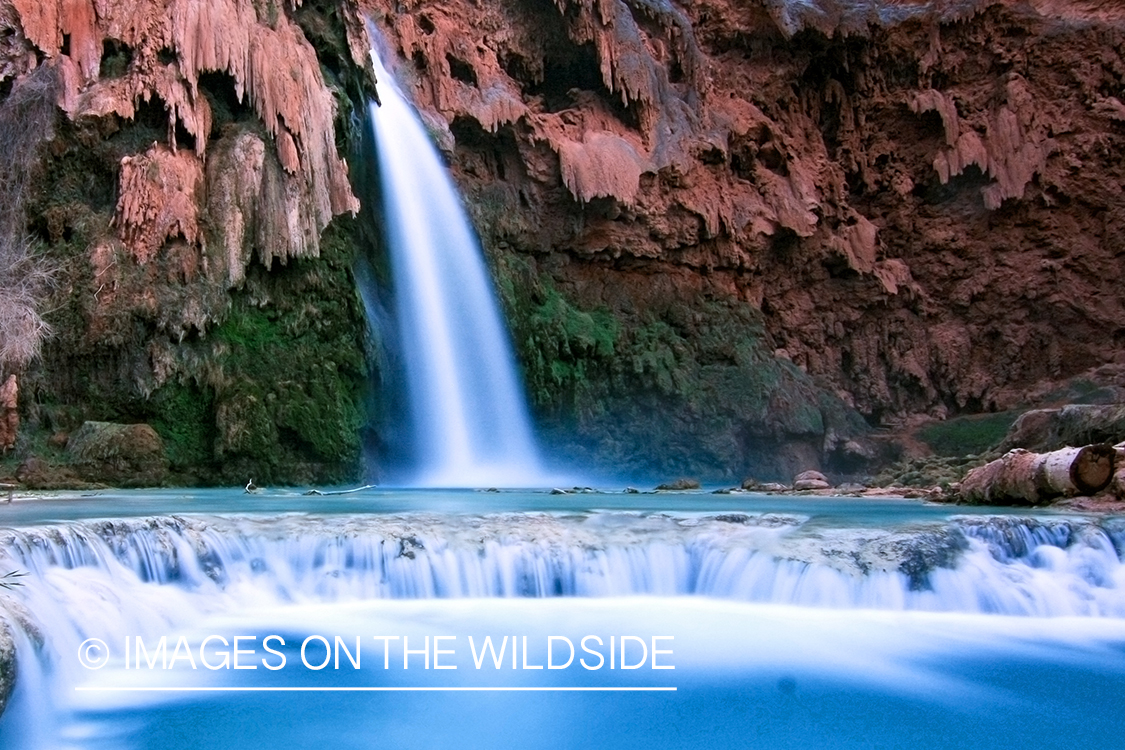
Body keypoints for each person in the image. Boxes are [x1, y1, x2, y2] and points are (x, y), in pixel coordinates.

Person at [0, 374, 18, 453]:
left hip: (8, 407)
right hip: (7, 407)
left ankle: (7, 442)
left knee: (9, 424)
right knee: (5, 425)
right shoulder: (12, 386)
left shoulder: (10, 386)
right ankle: (5, 442)